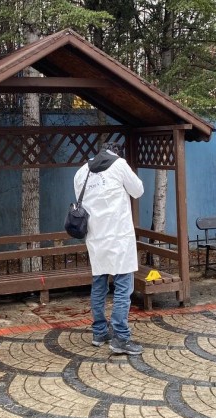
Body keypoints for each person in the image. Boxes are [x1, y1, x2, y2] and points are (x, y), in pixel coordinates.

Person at [73, 142, 144, 355]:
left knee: (99, 285)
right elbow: (138, 190)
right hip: (119, 237)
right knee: (123, 287)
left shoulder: (81, 172)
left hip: (96, 238)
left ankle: (99, 332)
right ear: (117, 153)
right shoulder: (119, 164)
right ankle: (121, 337)